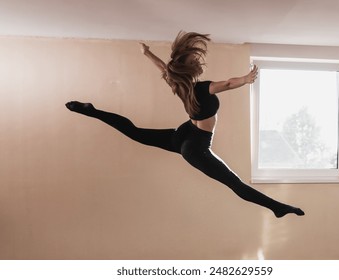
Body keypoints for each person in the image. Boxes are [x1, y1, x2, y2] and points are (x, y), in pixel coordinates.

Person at [66, 31, 304, 218]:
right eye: (195, 60)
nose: (198, 62)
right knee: (235, 183)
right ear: (191, 69)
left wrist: (147, 53)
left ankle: (92, 111)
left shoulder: (180, 86)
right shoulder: (201, 87)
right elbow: (230, 84)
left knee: (134, 132)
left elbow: (164, 69)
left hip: (182, 135)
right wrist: (247, 78)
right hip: (195, 145)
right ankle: (277, 207)